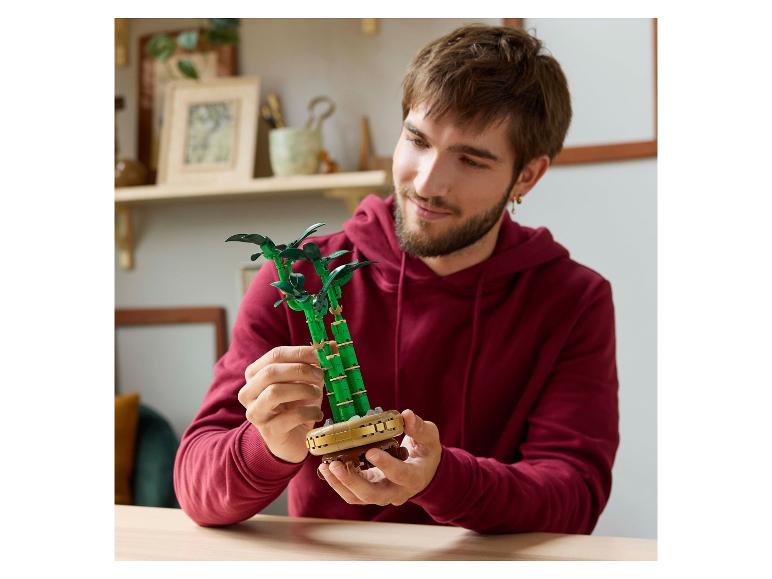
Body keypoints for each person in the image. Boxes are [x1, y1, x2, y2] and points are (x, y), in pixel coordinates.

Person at [174, 23, 619, 535]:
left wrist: (443, 479)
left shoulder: (573, 299)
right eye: (417, 140)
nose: (428, 183)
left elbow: (575, 493)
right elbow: (196, 488)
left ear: (526, 176)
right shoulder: (298, 279)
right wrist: (266, 445)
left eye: (471, 160)